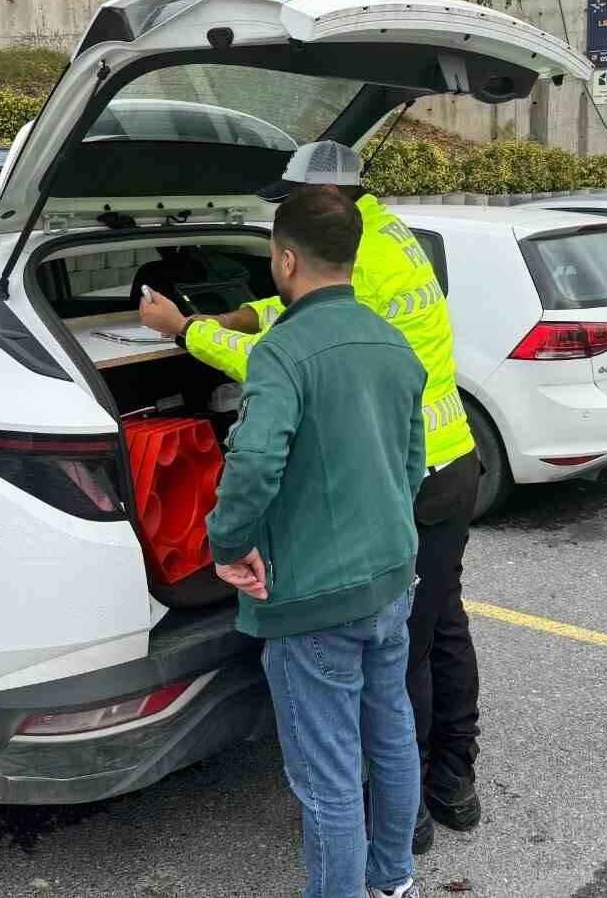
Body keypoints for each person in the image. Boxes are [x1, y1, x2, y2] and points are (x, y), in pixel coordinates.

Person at [140, 140, 483, 852]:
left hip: (405, 473)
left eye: (295, 202)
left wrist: (188, 332)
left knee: (406, 655)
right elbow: (309, 301)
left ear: (319, 202)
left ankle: (407, 814)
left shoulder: (361, 263)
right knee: (441, 625)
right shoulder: (385, 234)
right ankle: (455, 781)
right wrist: (242, 312)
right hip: (451, 460)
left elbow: (290, 359)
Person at [197, 187, 425, 898]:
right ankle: (394, 880)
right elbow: (411, 462)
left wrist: (226, 541)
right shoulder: (394, 342)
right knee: (391, 737)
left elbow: (257, 460)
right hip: (391, 581)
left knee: (326, 777)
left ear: (286, 258)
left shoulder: (282, 350)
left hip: (313, 601)